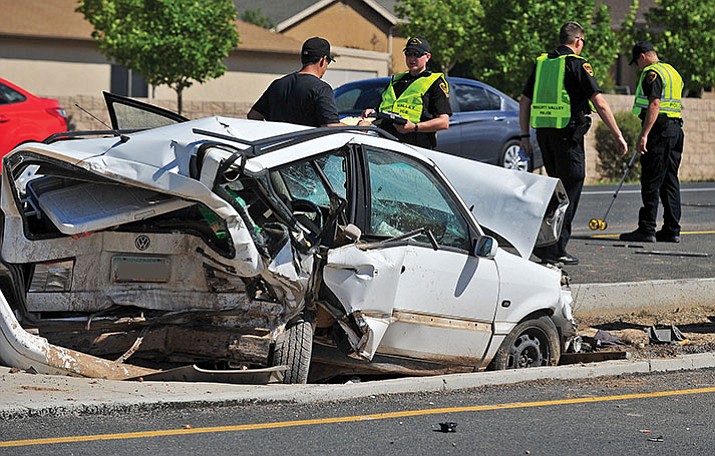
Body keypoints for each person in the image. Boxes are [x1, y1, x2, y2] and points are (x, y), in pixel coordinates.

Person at [520, 21, 627, 266]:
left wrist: (524, 136)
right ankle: (555, 249)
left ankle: (544, 244)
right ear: (578, 41)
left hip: (545, 136)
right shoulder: (578, 64)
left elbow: (524, 101)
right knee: (569, 190)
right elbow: (600, 103)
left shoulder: (543, 64)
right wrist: (618, 134)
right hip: (568, 137)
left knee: (555, 190)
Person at [619, 41, 684, 243]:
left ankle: (646, 228)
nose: (638, 67)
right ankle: (672, 229)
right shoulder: (672, 71)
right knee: (669, 180)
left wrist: (644, 134)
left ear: (642, 57)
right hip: (675, 130)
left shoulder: (652, 73)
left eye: (637, 62)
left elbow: (654, 103)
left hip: (659, 131)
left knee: (651, 180)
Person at [361, 36, 451, 149]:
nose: (411, 58)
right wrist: (372, 111)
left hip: (415, 148)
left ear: (427, 57)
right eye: (408, 53)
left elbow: (444, 122)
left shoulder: (434, 82)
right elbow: (383, 107)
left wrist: (414, 127)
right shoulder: (396, 80)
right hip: (387, 143)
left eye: (417, 54)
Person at [248, 37, 346, 127]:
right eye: (328, 62)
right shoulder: (321, 89)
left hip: (276, 145)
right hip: (308, 145)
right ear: (323, 60)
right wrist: (358, 127)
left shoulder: (277, 84)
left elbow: (253, 116)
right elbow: (330, 126)